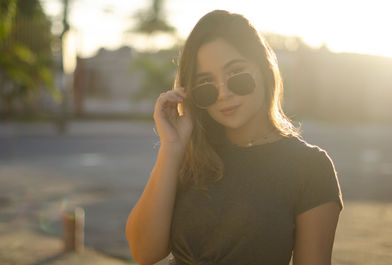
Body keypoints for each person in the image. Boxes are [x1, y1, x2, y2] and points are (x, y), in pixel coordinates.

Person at [125, 9, 344, 265]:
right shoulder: (193, 155)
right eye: (206, 83)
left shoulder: (309, 167)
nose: (223, 93)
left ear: (263, 69)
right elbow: (144, 252)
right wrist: (171, 148)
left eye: (235, 74)